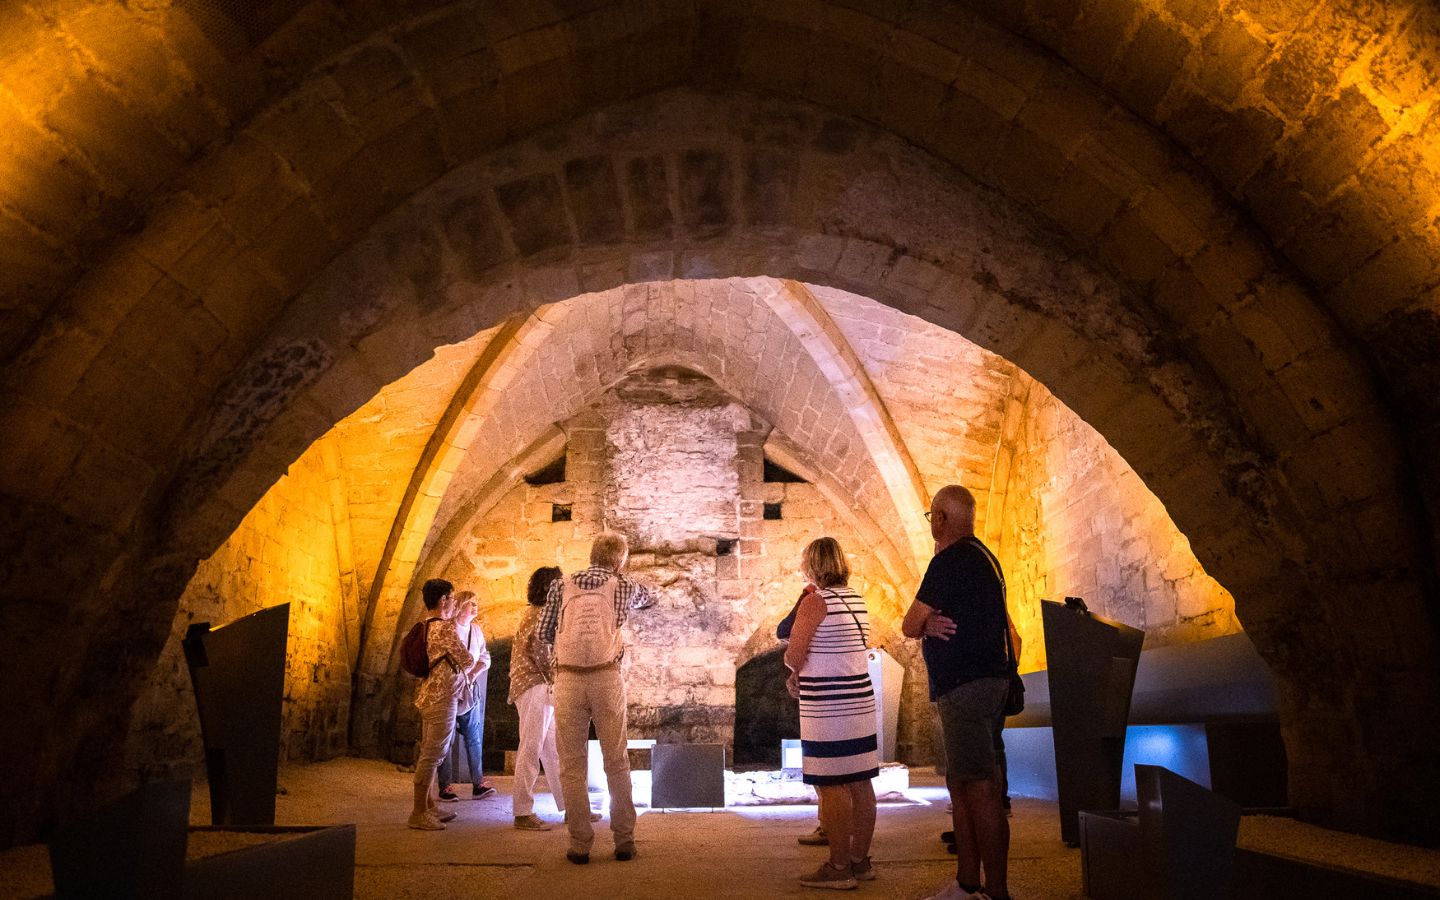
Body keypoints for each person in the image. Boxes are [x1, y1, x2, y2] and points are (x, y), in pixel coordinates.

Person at [903, 486, 1012, 900]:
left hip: (964, 688)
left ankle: (995, 891)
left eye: (931, 515)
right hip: (990, 683)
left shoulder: (948, 561)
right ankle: (968, 881)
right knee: (963, 783)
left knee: (980, 787)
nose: (931, 522)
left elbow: (909, 624)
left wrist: (924, 625)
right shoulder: (985, 558)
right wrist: (931, 625)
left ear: (941, 519)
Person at [540, 532, 655, 864]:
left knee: (572, 765)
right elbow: (649, 597)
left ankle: (579, 843)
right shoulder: (622, 587)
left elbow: (544, 633)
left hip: (568, 680)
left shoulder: (561, 586)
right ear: (619, 560)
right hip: (606, 677)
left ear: (591, 555)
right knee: (616, 760)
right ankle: (624, 840)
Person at [784, 537, 879, 890]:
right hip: (860, 700)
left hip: (828, 706)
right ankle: (860, 860)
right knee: (860, 781)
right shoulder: (857, 600)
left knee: (832, 782)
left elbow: (795, 654)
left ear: (813, 565)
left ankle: (839, 867)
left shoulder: (815, 602)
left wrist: (793, 670)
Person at [408, 578, 476, 831]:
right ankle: (417, 812)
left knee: (430, 750)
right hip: (442, 697)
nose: (454, 602)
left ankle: (428, 806)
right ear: (443, 600)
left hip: (429, 694)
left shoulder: (425, 625)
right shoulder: (445, 628)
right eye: (452, 597)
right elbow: (467, 660)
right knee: (433, 753)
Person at [510, 567, 566, 830]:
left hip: (536, 685)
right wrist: (560, 676)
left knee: (553, 750)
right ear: (551, 588)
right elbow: (543, 653)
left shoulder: (534, 613)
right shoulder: (541, 615)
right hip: (536, 684)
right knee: (531, 747)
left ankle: (571, 805)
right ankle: (522, 811)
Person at [438, 591, 496, 802]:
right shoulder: (448, 628)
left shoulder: (476, 631)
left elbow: (484, 657)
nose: (475, 607)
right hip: (449, 690)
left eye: (476, 603)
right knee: (446, 738)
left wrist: (472, 674)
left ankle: (478, 784)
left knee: (473, 738)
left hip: (468, 692)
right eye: (471, 603)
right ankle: (445, 786)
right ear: (460, 606)